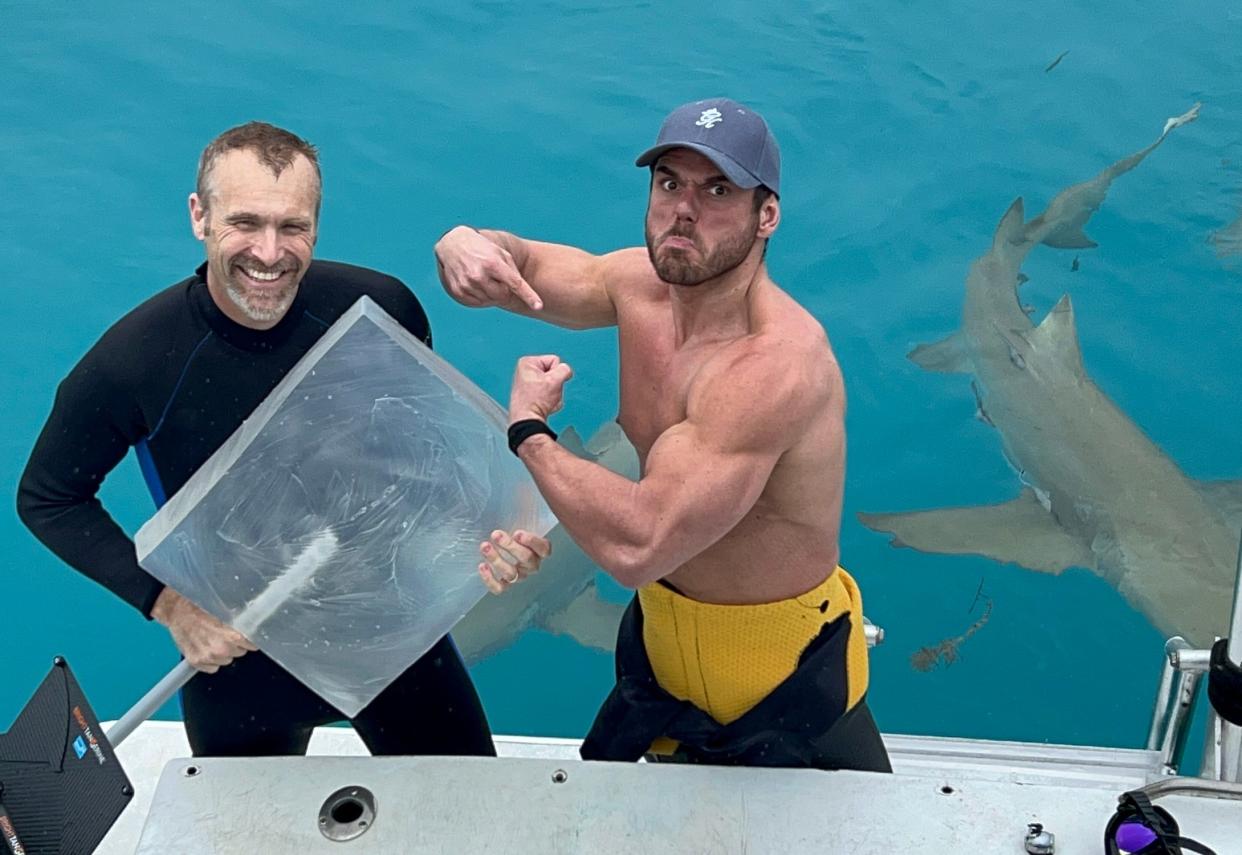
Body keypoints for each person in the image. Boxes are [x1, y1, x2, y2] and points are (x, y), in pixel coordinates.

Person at [17, 121, 549, 757]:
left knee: (469, 821)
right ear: (199, 217)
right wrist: (170, 605)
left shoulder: (379, 307)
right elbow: (49, 497)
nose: (269, 253)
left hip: (390, 630)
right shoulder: (134, 362)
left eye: (292, 227)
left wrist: (496, 536)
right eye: (245, 222)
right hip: (241, 655)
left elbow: (424, 461)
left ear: (316, 225)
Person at [436, 98, 891, 772]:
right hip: (662, 655)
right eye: (670, 182)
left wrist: (530, 429)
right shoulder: (636, 285)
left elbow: (638, 543)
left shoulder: (774, 366)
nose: (685, 207)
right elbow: (521, 267)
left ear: (768, 214)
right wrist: (467, 243)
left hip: (781, 684)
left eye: (718, 190)